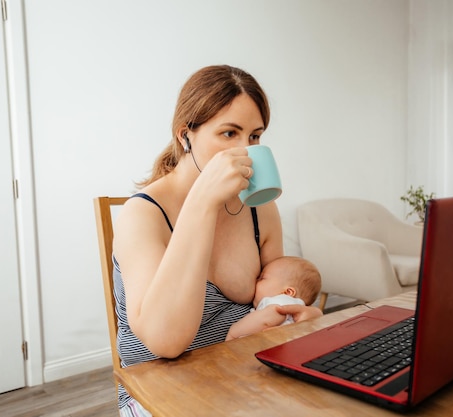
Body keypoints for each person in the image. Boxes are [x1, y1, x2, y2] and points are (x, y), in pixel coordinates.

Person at [112, 65, 323, 416]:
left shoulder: (260, 208)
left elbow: (272, 302)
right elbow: (165, 342)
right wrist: (202, 202)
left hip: (241, 376)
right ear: (185, 136)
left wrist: (300, 314)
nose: (245, 151)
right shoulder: (143, 214)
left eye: (254, 137)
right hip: (159, 390)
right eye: (229, 134)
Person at [226, 256, 322, 341]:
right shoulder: (293, 306)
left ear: (288, 292)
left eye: (262, 278)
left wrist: (234, 332)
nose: (255, 281)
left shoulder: (282, 301)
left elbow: (267, 319)